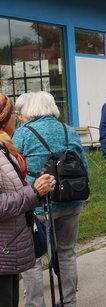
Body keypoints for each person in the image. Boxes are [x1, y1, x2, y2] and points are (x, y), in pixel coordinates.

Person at [13, 91, 88, 307]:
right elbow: (81, 163)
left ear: (29, 110)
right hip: (71, 201)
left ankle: (36, 304)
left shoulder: (24, 134)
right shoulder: (69, 131)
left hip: (39, 204)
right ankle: (69, 302)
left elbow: (14, 168)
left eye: (20, 112)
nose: (19, 117)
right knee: (66, 253)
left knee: (33, 259)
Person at [0, 93, 55, 307]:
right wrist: (33, 191)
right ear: (4, 120)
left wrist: (36, 189)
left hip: (8, 249)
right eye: (12, 113)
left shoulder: (6, 149)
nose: (16, 117)